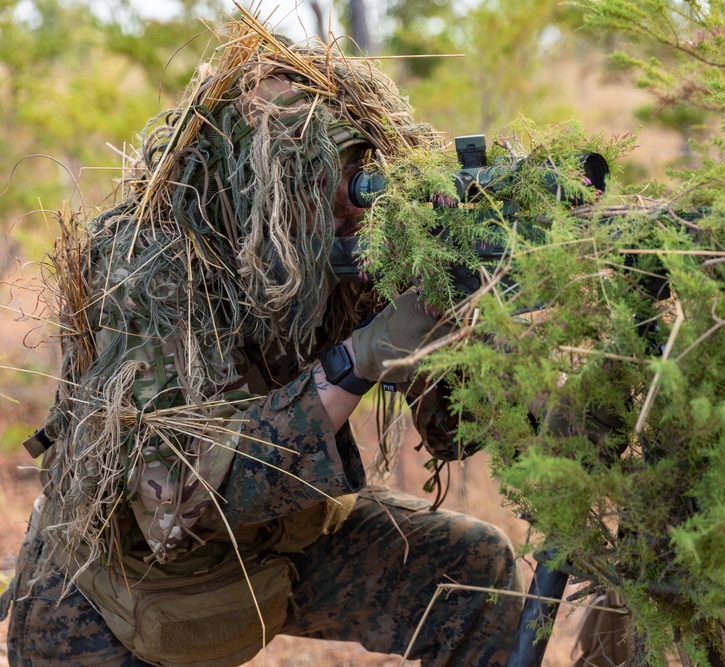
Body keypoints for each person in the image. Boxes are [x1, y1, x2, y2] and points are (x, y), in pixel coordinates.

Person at [0, 20, 522, 667]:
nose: (351, 207)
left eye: (361, 175)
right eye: (322, 184)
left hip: (281, 542)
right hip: (116, 596)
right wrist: (358, 359)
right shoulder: (154, 269)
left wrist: (470, 327)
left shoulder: (346, 251)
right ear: (257, 187)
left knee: (472, 571)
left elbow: (454, 434)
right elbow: (176, 509)